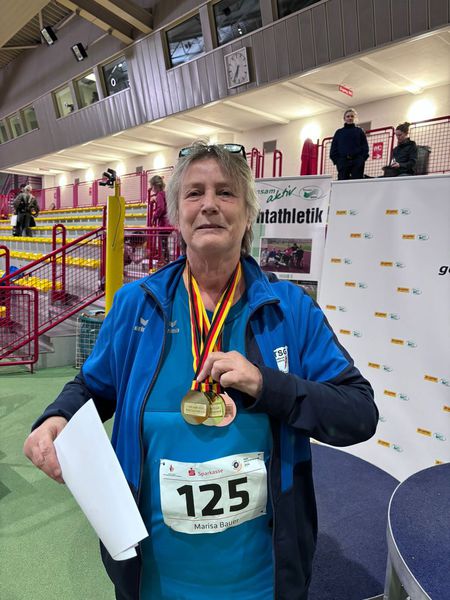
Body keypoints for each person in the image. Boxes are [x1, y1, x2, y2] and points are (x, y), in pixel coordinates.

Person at [23, 142, 378, 600]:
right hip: (152, 579)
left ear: (247, 215)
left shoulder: (290, 309)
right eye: (194, 193)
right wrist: (57, 417)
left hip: (262, 582)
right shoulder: (137, 305)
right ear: (177, 215)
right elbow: (93, 386)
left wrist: (266, 384)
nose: (209, 204)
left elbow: (358, 414)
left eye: (225, 192)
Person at [330, 108, 369, 180]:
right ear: (344, 118)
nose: (350, 118)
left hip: (357, 162)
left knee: (356, 183)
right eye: (348, 116)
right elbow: (334, 148)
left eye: (352, 116)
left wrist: (362, 159)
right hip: (343, 162)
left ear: (355, 118)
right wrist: (338, 161)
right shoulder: (339, 132)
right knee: (342, 183)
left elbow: (365, 147)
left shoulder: (359, 131)